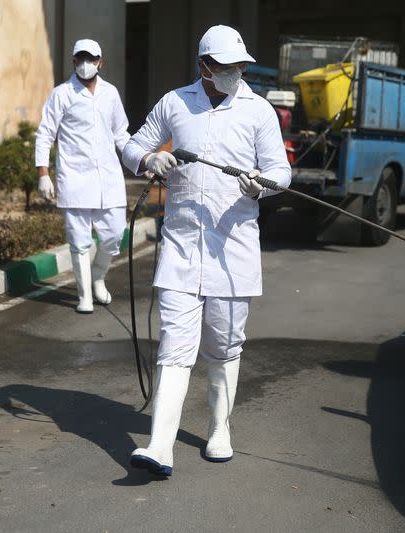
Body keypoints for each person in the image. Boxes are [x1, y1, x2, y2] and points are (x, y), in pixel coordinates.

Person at [121, 25, 291, 476]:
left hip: (233, 250)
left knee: (225, 345)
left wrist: (263, 185)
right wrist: (147, 159)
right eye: (228, 66)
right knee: (174, 347)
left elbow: (281, 170)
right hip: (180, 247)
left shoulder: (259, 111)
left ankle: (219, 428)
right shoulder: (176, 102)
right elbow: (134, 143)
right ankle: (160, 445)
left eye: (241, 66)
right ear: (205, 67)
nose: (237, 73)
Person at [35, 38, 131, 313]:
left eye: (91, 59)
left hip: (109, 179)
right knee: (79, 242)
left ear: (101, 62)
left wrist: (140, 161)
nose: (85, 64)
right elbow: (45, 134)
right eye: (80, 59)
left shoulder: (111, 94)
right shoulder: (61, 94)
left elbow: (121, 133)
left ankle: (98, 276)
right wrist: (44, 173)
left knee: (113, 235)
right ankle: (84, 296)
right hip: (74, 178)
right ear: (73, 61)